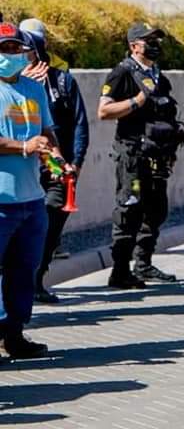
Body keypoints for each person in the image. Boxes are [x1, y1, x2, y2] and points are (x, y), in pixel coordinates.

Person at [0, 22, 72, 358]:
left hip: (31, 200)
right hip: (1, 200)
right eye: (5, 48)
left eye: (16, 48)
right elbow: (27, 141)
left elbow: (47, 131)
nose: (12, 54)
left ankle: (14, 336)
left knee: (23, 271)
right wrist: (24, 146)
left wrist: (58, 159)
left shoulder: (34, 88)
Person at [98, 22, 184, 289]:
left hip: (157, 157)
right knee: (130, 210)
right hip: (133, 158)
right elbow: (104, 111)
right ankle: (120, 271)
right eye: (149, 40)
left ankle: (143, 264)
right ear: (134, 45)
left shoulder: (159, 76)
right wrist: (136, 100)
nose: (155, 44)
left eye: (157, 39)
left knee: (156, 210)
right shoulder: (122, 73)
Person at [18, 24, 89, 304]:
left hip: (57, 167)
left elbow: (79, 124)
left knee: (51, 218)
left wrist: (76, 162)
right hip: (25, 167)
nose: (22, 55)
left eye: (26, 49)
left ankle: (37, 275)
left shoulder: (62, 81)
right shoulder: (14, 85)